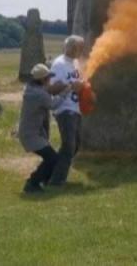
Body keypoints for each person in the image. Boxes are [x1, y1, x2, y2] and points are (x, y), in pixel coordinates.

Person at [17, 63, 74, 194]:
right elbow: (53, 105)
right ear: (42, 80)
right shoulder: (39, 94)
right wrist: (67, 90)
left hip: (30, 133)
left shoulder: (32, 89)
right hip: (31, 135)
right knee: (52, 158)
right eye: (48, 78)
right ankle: (32, 183)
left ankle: (43, 180)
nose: (50, 80)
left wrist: (58, 88)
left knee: (51, 158)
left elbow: (46, 93)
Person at [47, 35, 87, 186]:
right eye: (79, 48)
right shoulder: (59, 64)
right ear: (70, 47)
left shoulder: (75, 63)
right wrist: (70, 86)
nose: (81, 51)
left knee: (75, 144)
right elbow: (52, 88)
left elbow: (78, 81)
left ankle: (51, 171)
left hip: (76, 109)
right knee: (69, 145)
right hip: (65, 109)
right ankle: (57, 181)